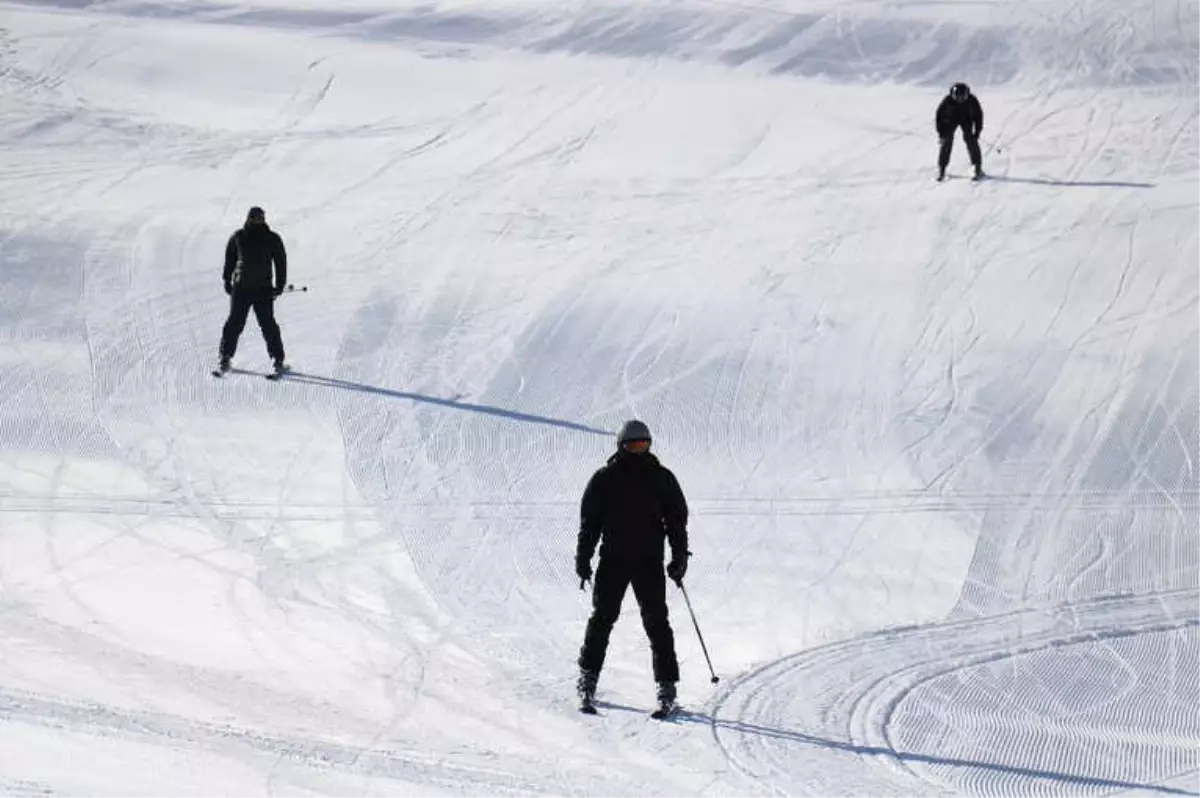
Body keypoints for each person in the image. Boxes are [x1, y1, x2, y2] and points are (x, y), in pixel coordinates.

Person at [575, 419, 690, 714]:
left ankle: (667, 686)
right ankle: (587, 679)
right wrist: (583, 558)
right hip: (613, 561)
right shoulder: (605, 478)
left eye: (644, 444)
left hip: (648, 562)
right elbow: (590, 523)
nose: (639, 450)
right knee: (602, 619)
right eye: (633, 445)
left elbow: (677, 520)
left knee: (656, 623)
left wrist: (679, 558)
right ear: (622, 446)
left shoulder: (661, 478)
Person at [216, 206, 288, 375]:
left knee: (268, 325)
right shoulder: (239, 237)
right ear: (249, 218)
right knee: (234, 322)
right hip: (241, 289)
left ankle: (278, 359)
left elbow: (280, 262)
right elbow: (230, 259)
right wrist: (227, 279)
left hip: (263, 290)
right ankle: (225, 356)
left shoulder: (272, 239)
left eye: (261, 218)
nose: (258, 221)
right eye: (255, 218)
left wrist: (279, 285)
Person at [935, 82, 984, 181]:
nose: (960, 100)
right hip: (951, 120)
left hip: (967, 120)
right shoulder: (947, 100)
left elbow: (978, 116)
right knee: (946, 141)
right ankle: (942, 168)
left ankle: (977, 167)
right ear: (953, 95)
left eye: (963, 98)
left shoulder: (972, 100)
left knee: (971, 140)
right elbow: (939, 116)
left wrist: (977, 132)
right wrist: (941, 133)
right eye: (957, 98)